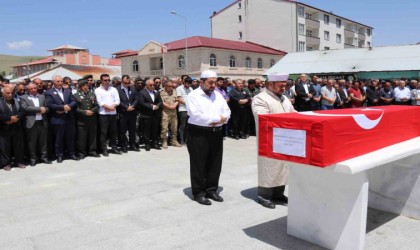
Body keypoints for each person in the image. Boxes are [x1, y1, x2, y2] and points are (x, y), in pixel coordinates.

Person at [252, 72, 296, 209]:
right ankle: (264, 196)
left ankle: (278, 194)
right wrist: (288, 121)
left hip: (285, 138)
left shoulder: (284, 98)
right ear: (270, 84)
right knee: (269, 167)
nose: (284, 89)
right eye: (281, 86)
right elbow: (263, 118)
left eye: (285, 86)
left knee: (283, 167)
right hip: (269, 139)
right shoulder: (260, 99)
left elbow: (293, 113)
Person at [186, 70, 231, 205]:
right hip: (198, 133)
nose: (213, 85)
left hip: (216, 132)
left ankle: (211, 189)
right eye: (210, 82)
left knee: (215, 162)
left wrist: (222, 120)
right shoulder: (193, 96)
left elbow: (227, 110)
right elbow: (196, 115)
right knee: (199, 163)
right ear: (202, 82)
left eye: (214, 82)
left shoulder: (217, 95)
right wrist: (219, 119)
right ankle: (199, 192)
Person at [45, 75, 79, 163]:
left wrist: (68, 106)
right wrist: (62, 107)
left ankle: (71, 154)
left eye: (61, 81)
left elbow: (74, 101)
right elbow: (49, 104)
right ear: (53, 82)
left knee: (70, 137)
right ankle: (59, 155)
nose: (60, 83)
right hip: (58, 119)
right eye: (58, 81)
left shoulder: (68, 91)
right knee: (59, 139)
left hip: (69, 118)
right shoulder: (49, 92)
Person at [20, 83, 51, 166]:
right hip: (31, 123)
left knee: (43, 142)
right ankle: (33, 159)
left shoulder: (42, 96)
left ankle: (44, 157)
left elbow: (47, 107)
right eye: (31, 89)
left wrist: (46, 109)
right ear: (28, 90)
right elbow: (25, 108)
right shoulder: (23, 98)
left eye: (35, 88)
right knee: (32, 143)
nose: (33, 90)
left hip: (42, 122)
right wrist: (39, 109)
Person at [0, 84, 26, 171]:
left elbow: (22, 111)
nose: (10, 94)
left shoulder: (16, 101)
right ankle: (6, 163)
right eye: (8, 93)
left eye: (11, 93)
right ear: (2, 94)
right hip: (4, 128)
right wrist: (8, 119)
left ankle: (19, 161)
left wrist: (17, 118)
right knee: (5, 147)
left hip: (16, 127)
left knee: (18, 145)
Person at [95, 74, 122, 156]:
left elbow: (117, 100)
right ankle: (104, 149)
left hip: (113, 113)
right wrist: (108, 107)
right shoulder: (97, 90)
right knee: (103, 132)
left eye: (108, 80)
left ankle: (114, 147)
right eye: (105, 80)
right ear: (101, 81)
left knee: (113, 131)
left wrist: (112, 107)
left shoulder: (113, 89)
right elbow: (100, 102)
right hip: (103, 114)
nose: (107, 82)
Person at [74, 79, 100, 159]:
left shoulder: (92, 94)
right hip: (82, 120)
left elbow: (97, 105)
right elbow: (75, 108)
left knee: (92, 136)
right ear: (80, 87)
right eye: (83, 86)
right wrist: (84, 112)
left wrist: (92, 111)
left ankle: (92, 151)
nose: (85, 87)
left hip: (92, 119)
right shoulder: (76, 95)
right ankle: (82, 152)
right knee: (82, 137)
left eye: (86, 85)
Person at [137, 79, 163, 151]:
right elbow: (142, 103)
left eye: (153, 85)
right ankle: (147, 144)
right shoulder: (142, 92)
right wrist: (151, 106)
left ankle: (154, 143)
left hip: (155, 114)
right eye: (150, 85)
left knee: (155, 129)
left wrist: (157, 106)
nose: (152, 86)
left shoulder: (156, 92)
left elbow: (160, 101)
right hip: (146, 114)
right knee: (146, 130)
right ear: (146, 85)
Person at [117, 75, 139, 152]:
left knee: (132, 130)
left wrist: (132, 106)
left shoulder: (132, 88)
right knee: (122, 131)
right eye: (125, 83)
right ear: (122, 82)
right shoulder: (117, 89)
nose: (127, 84)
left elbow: (137, 99)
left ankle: (132, 145)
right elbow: (118, 101)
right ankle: (123, 145)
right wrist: (126, 107)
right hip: (123, 112)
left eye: (128, 83)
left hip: (132, 112)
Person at [160, 80, 181, 148]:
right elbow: (161, 102)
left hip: (173, 112)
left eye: (172, 86)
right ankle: (164, 141)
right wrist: (169, 106)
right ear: (165, 86)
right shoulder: (161, 92)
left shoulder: (174, 91)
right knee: (164, 127)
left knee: (174, 127)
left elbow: (177, 100)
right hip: (165, 112)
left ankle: (174, 141)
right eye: (169, 86)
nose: (171, 88)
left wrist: (175, 105)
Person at [176, 76, 193, 145]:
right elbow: (179, 99)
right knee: (182, 125)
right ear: (184, 82)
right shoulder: (179, 88)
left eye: (189, 84)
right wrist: (188, 104)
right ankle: (181, 140)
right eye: (187, 84)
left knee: (188, 126)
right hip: (183, 109)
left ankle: (187, 140)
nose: (188, 85)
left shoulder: (191, 89)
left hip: (190, 110)